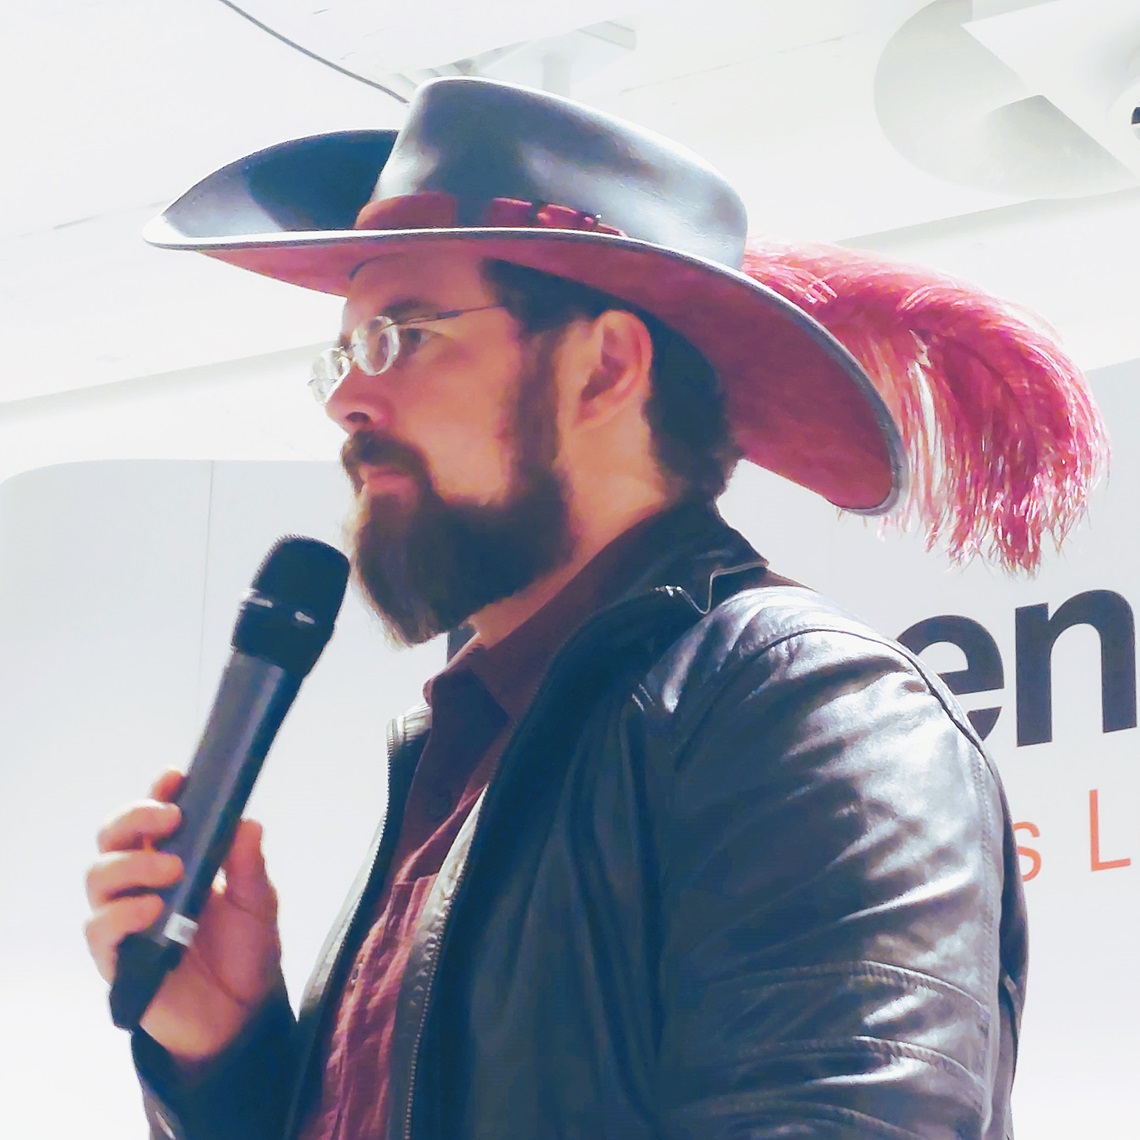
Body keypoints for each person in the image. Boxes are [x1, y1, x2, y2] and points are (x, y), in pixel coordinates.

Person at [84, 77, 1106, 1140]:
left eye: (402, 336)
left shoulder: (817, 715)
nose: (349, 396)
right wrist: (229, 1059)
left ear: (605, 367)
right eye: (342, 355)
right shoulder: (471, 764)